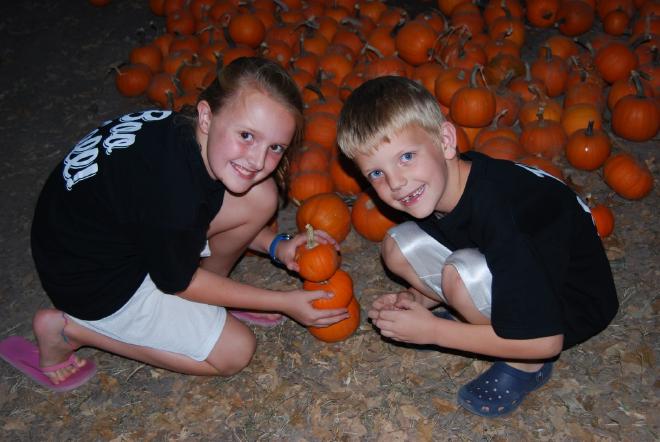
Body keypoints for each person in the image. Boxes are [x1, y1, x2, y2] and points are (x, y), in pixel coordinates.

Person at [0, 57, 348, 392]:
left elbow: (180, 216)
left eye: (275, 147)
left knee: (259, 195)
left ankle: (214, 294)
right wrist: (283, 301)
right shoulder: (173, 191)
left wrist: (275, 245)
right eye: (246, 135)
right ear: (207, 116)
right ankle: (70, 331)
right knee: (235, 351)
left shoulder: (185, 134)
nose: (258, 160)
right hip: (94, 282)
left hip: (99, 235)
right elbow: (181, 282)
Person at [336, 76, 619, 418]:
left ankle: (525, 365)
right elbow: (460, 237)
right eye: (376, 174)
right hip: (521, 270)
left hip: (567, 309)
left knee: (459, 276)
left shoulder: (502, 214)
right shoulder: (443, 180)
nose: (396, 182)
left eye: (406, 157)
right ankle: (470, 317)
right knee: (396, 247)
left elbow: (548, 341)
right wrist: (417, 298)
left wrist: (434, 332)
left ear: (445, 141)